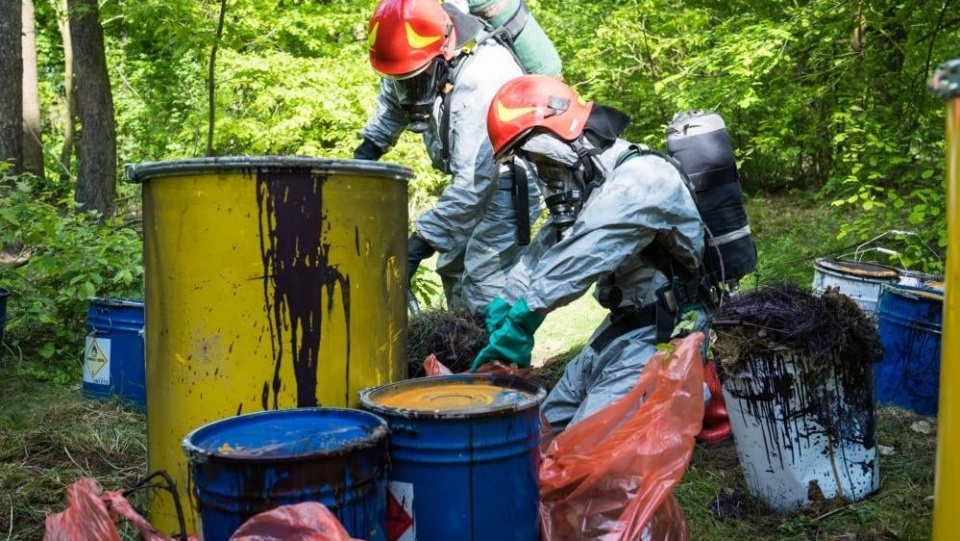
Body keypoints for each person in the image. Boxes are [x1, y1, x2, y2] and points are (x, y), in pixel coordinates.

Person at [472, 74, 711, 434]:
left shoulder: (642, 180)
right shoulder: (595, 183)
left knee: (583, 451)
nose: (545, 175)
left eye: (545, 162)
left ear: (569, 139)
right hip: (624, 326)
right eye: (535, 166)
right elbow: (547, 250)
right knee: (542, 432)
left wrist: (523, 319)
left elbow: (581, 254)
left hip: (668, 333)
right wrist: (505, 305)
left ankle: (688, 395)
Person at [354, 0, 548, 313]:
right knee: (453, 266)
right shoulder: (407, 58)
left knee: (484, 278)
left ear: (444, 54)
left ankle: (495, 359)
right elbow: (392, 105)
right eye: (401, 79)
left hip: (509, 178)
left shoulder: (481, 77)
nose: (409, 89)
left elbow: (475, 183)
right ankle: (463, 352)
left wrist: (416, 246)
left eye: (415, 78)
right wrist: (365, 155)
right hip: (472, 176)